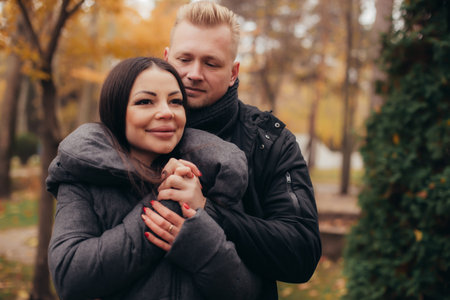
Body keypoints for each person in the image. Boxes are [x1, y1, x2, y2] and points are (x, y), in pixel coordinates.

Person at [46, 57, 261, 300]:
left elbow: (249, 291)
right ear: (116, 110)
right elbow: (69, 277)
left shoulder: (210, 176)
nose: (166, 112)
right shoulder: (82, 179)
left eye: (175, 101)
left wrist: (201, 243)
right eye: (145, 101)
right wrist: (168, 200)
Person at [157, 2, 322, 299]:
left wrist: (208, 211)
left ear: (233, 72)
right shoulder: (130, 128)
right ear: (166, 59)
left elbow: (302, 251)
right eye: (185, 59)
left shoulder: (271, 141)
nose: (194, 73)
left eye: (211, 63)